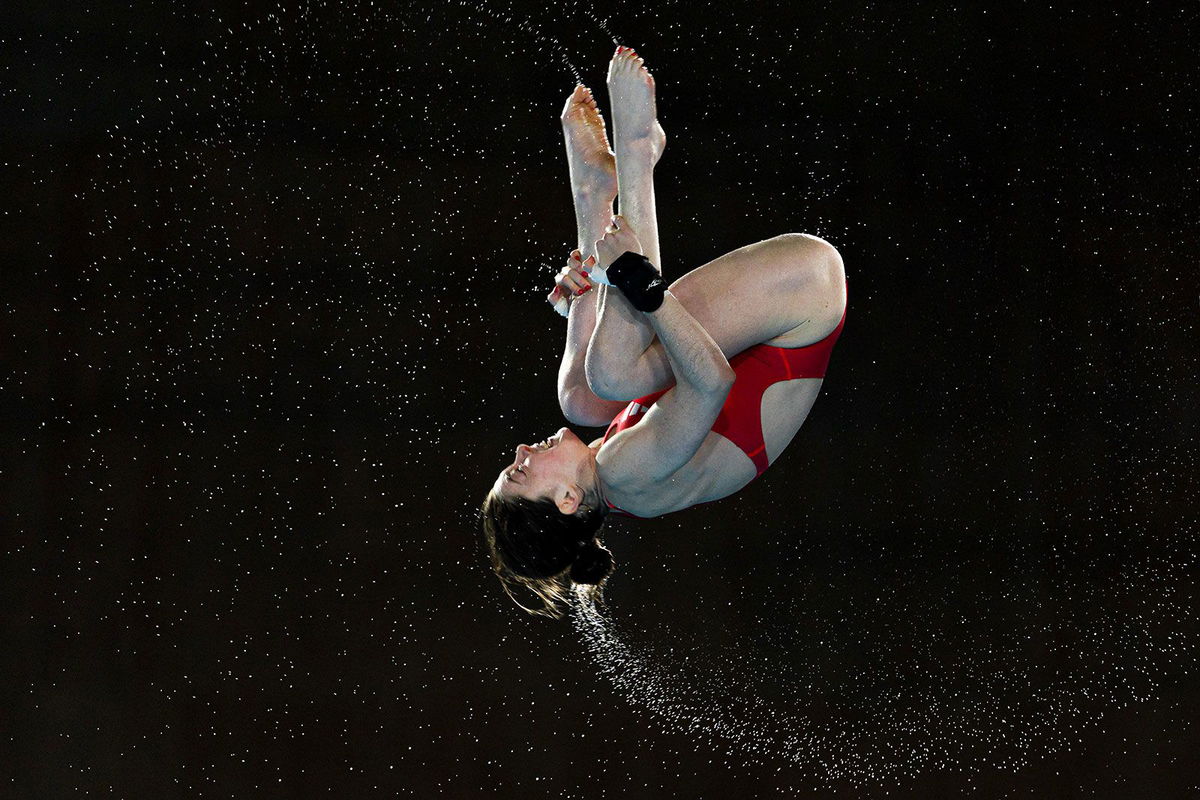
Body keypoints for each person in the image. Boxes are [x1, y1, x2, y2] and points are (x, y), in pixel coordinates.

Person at [481, 47, 847, 617]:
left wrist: (593, 288)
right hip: (802, 295)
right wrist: (628, 275)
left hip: (774, 314)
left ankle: (595, 210)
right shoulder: (630, 473)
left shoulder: (607, 470)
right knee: (611, 371)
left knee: (579, 393)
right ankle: (635, 155)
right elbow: (710, 382)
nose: (524, 450)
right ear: (569, 500)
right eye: (522, 471)